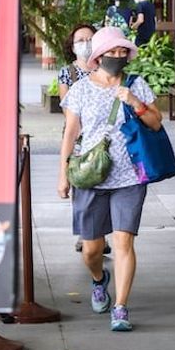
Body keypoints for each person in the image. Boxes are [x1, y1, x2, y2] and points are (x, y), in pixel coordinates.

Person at [58, 26, 162, 331]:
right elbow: (70, 133)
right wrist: (62, 175)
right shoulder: (80, 89)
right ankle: (99, 279)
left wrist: (133, 101)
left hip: (129, 175)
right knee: (91, 250)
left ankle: (120, 307)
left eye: (122, 52)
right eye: (111, 52)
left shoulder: (136, 85)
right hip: (90, 176)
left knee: (123, 243)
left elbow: (155, 123)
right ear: (99, 55)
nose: (117, 57)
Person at [58, 23, 111, 255]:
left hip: (104, 136)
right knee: (81, 181)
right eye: (80, 40)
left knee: (104, 179)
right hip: (78, 137)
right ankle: (85, 232)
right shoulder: (67, 73)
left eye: (90, 39)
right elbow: (68, 112)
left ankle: (101, 234)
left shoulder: (105, 68)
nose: (85, 44)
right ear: (72, 45)